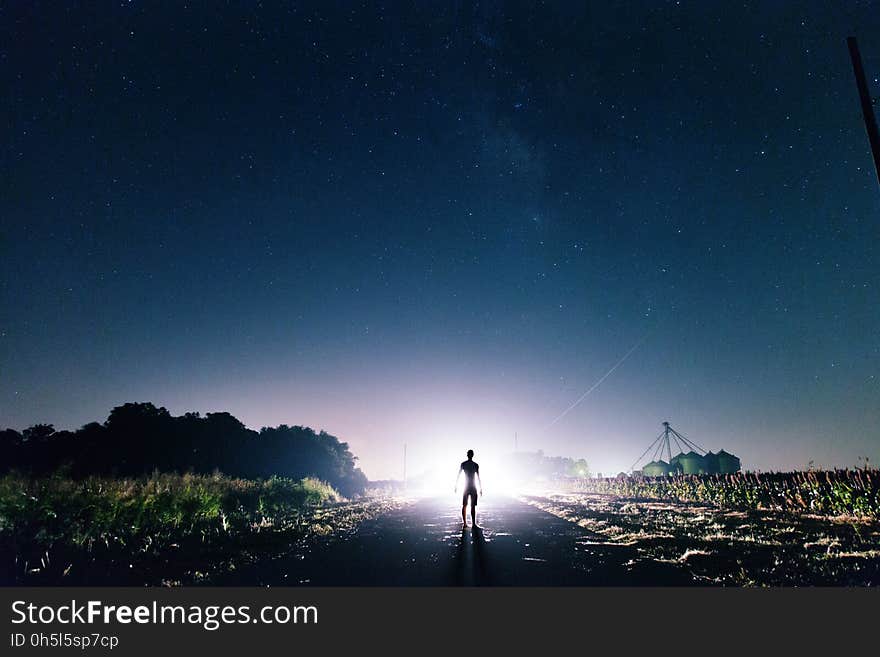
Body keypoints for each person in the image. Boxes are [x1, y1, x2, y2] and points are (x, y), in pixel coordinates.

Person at [454, 449, 482, 528]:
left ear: (468, 455)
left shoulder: (466, 464)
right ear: (472, 455)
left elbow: (459, 476)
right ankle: (469, 523)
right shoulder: (471, 464)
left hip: (468, 486)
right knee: (468, 505)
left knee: (467, 505)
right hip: (471, 486)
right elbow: (478, 477)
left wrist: (456, 485)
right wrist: (480, 488)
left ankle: (468, 523)